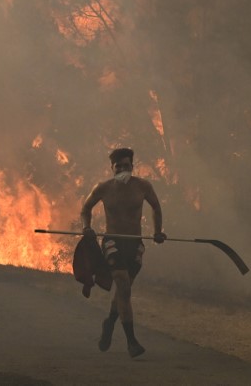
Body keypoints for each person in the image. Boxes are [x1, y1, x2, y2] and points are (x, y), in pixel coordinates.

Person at [80, 147, 165, 358]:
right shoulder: (103, 188)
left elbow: (156, 207)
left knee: (122, 292)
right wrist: (86, 227)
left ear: (132, 167)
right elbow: (85, 208)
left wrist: (157, 231)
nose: (122, 169)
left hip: (134, 244)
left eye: (126, 166)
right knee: (124, 286)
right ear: (112, 168)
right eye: (118, 166)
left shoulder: (143, 187)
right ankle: (131, 341)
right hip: (113, 243)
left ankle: (109, 323)